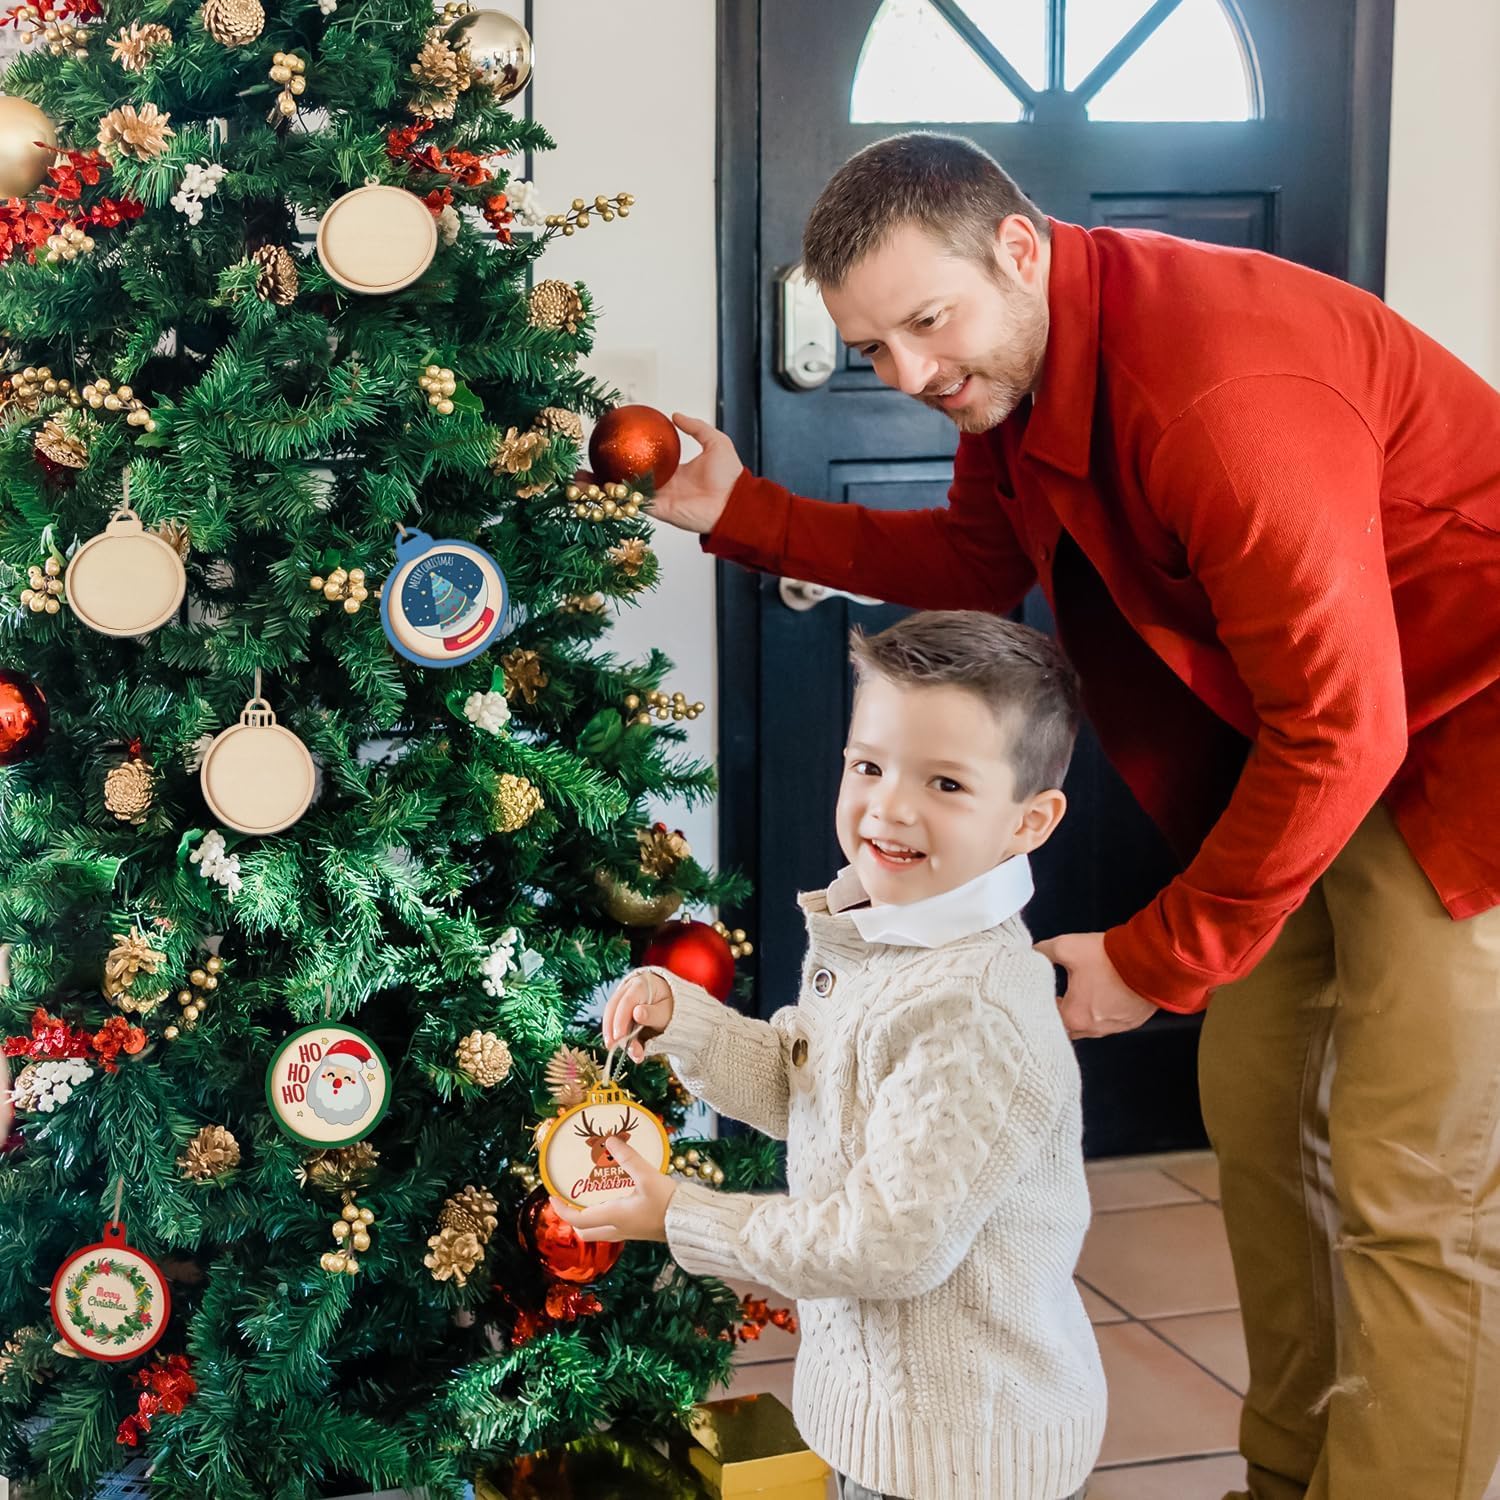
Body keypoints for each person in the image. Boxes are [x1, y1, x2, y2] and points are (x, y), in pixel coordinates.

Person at [639, 132, 1500, 1500]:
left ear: (1020, 251)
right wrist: (742, 511)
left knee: (1413, 1195)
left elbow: (1352, 725)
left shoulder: (1221, 394)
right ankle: (1284, 1479)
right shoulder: (1026, 381)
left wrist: (1158, 958)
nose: (913, 376)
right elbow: (981, 559)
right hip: (1307, 742)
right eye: (874, 350)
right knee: (1266, 1127)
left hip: (1467, 746)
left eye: (929, 323)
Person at [556, 611, 1105, 1500]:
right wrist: (687, 1023)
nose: (889, 806)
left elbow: (885, 1243)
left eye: (947, 784)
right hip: (889, 1424)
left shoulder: (972, 1014)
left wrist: (681, 1217)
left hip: (966, 1456)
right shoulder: (882, 934)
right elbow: (810, 1090)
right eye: (869, 765)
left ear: (1029, 822)